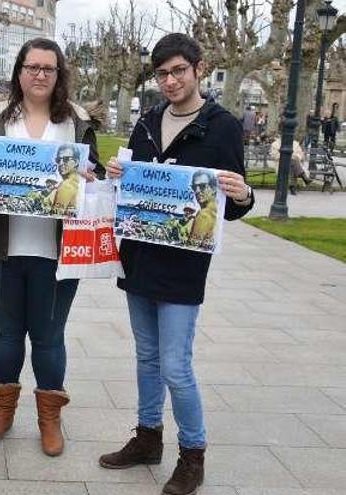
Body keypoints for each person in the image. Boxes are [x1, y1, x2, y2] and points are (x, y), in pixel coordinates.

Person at [98, 33, 253, 495]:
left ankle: (193, 453)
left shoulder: (221, 126)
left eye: (178, 71)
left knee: (176, 366)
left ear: (198, 69)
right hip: (140, 258)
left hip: (184, 266)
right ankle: (147, 437)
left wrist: (242, 195)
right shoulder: (146, 122)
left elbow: (235, 202)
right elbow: (128, 186)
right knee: (146, 357)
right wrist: (116, 173)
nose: (169, 81)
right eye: (162, 73)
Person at [0, 37, 104, 457]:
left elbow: (93, 180)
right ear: (19, 72)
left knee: (48, 337)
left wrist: (92, 183)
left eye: (49, 68)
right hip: (1, 247)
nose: (40, 74)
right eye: (32, 67)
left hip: (58, 251)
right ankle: (2, 411)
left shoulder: (76, 123)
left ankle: (49, 418)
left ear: (59, 75)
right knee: (6, 334)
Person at [46, 143, 81, 215]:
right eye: (58, 160)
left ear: (76, 162)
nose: (61, 163)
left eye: (66, 159)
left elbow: (55, 215)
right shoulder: (77, 182)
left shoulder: (66, 186)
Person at [186, 170, 217, 249]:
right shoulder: (214, 211)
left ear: (213, 188)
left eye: (202, 186)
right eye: (194, 187)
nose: (197, 191)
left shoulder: (203, 215)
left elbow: (191, 247)